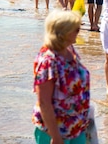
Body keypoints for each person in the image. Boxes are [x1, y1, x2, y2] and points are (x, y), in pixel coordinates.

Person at [33, 10, 90, 143]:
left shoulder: (70, 50)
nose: (79, 31)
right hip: (54, 131)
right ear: (62, 32)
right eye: (75, 29)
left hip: (76, 127)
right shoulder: (48, 60)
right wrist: (56, 136)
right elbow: (44, 103)